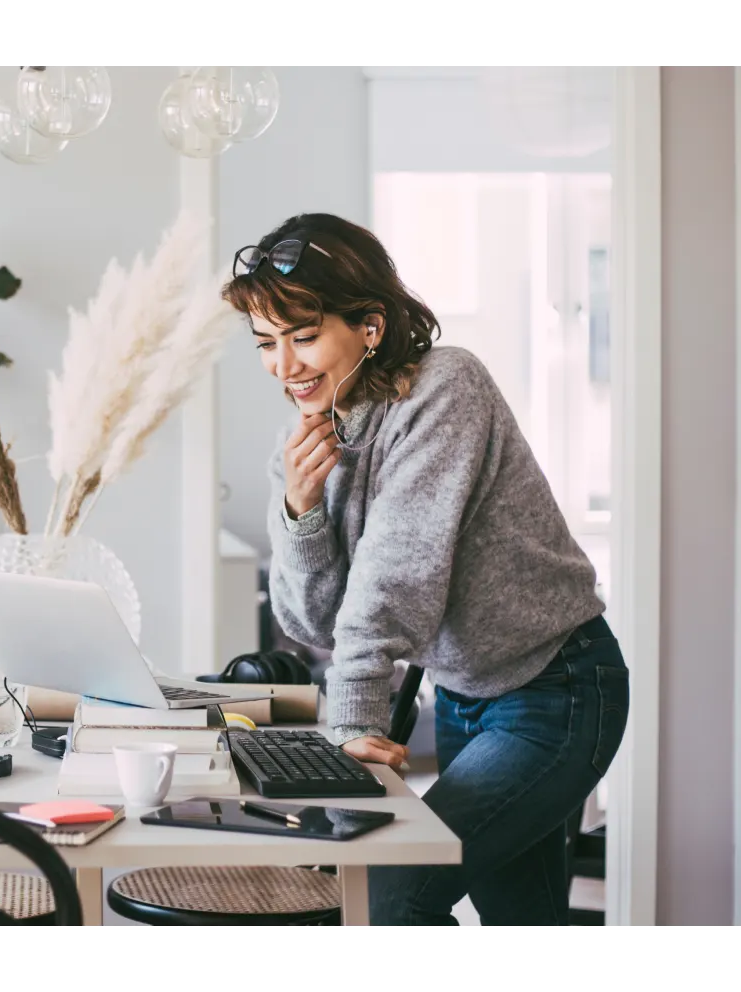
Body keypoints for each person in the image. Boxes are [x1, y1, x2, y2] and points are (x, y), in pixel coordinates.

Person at [222, 212, 630, 928]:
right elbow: (309, 620)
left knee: (393, 889)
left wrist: (349, 729)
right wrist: (301, 509)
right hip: (467, 696)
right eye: (266, 343)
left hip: (560, 689)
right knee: (523, 916)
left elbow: (395, 583)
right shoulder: (307, 441)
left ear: (369, 325)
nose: (284, 367)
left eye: (305, 335)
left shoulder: (445, 387)